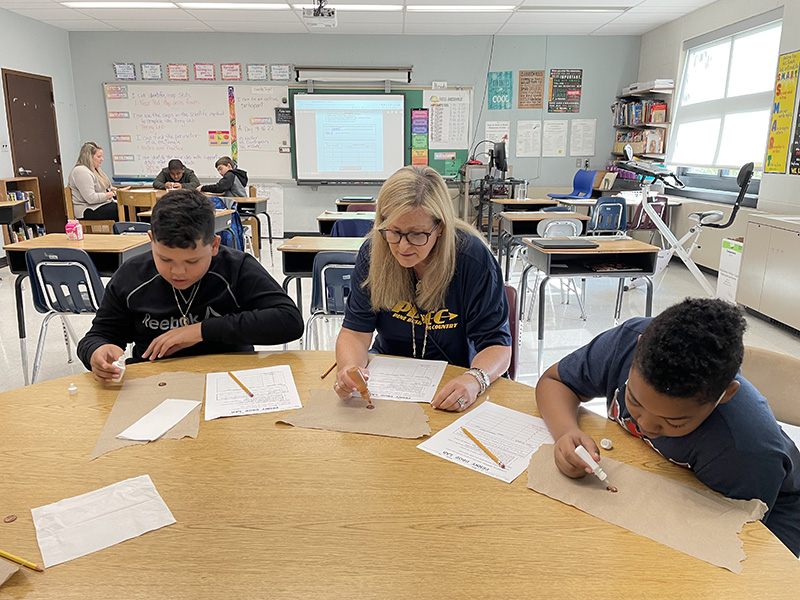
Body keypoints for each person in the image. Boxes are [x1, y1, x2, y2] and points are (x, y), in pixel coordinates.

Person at [536, 297, 800, 556]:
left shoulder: (745, 451)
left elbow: (731, 536)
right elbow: (555, 381)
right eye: (634, 401)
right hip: (668, 486)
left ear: (725, 396)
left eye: (674, 422)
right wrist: (566, 431)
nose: (646, 425)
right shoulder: (627, 344)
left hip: (764, 522)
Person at [334, 165, 512, 412]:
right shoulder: (374, 254)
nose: (403, 246)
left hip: (453, 378)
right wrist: (349, 369)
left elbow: (498, 345)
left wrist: (474, 380)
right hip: (388, 378)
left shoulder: (473, 259)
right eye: (394, 232)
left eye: (417, 234)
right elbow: (355, 333)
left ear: (440, 227)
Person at [77, 189, 304, 381]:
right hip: (156, 384)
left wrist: (200, 331)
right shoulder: (131, 275)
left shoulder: (236, 268)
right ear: (150, 240)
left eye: (192, 261)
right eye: (164, 259)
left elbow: (289, 321)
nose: (178, 272)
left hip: (229, 381)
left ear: (214, 245)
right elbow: (99, 335)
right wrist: (96, 352)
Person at [68, 141, 127, 220]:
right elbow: (91, 198)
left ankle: (141, 230)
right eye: (99, 157)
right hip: (88, 209)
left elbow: (105, 187)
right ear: (89, 157)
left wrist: (119, 191)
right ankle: (127, 230)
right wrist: (113, 194)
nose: (102, 159)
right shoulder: (81, 171)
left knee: (131, 205)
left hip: (100, 205)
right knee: (124, 209)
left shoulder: (95, 170)